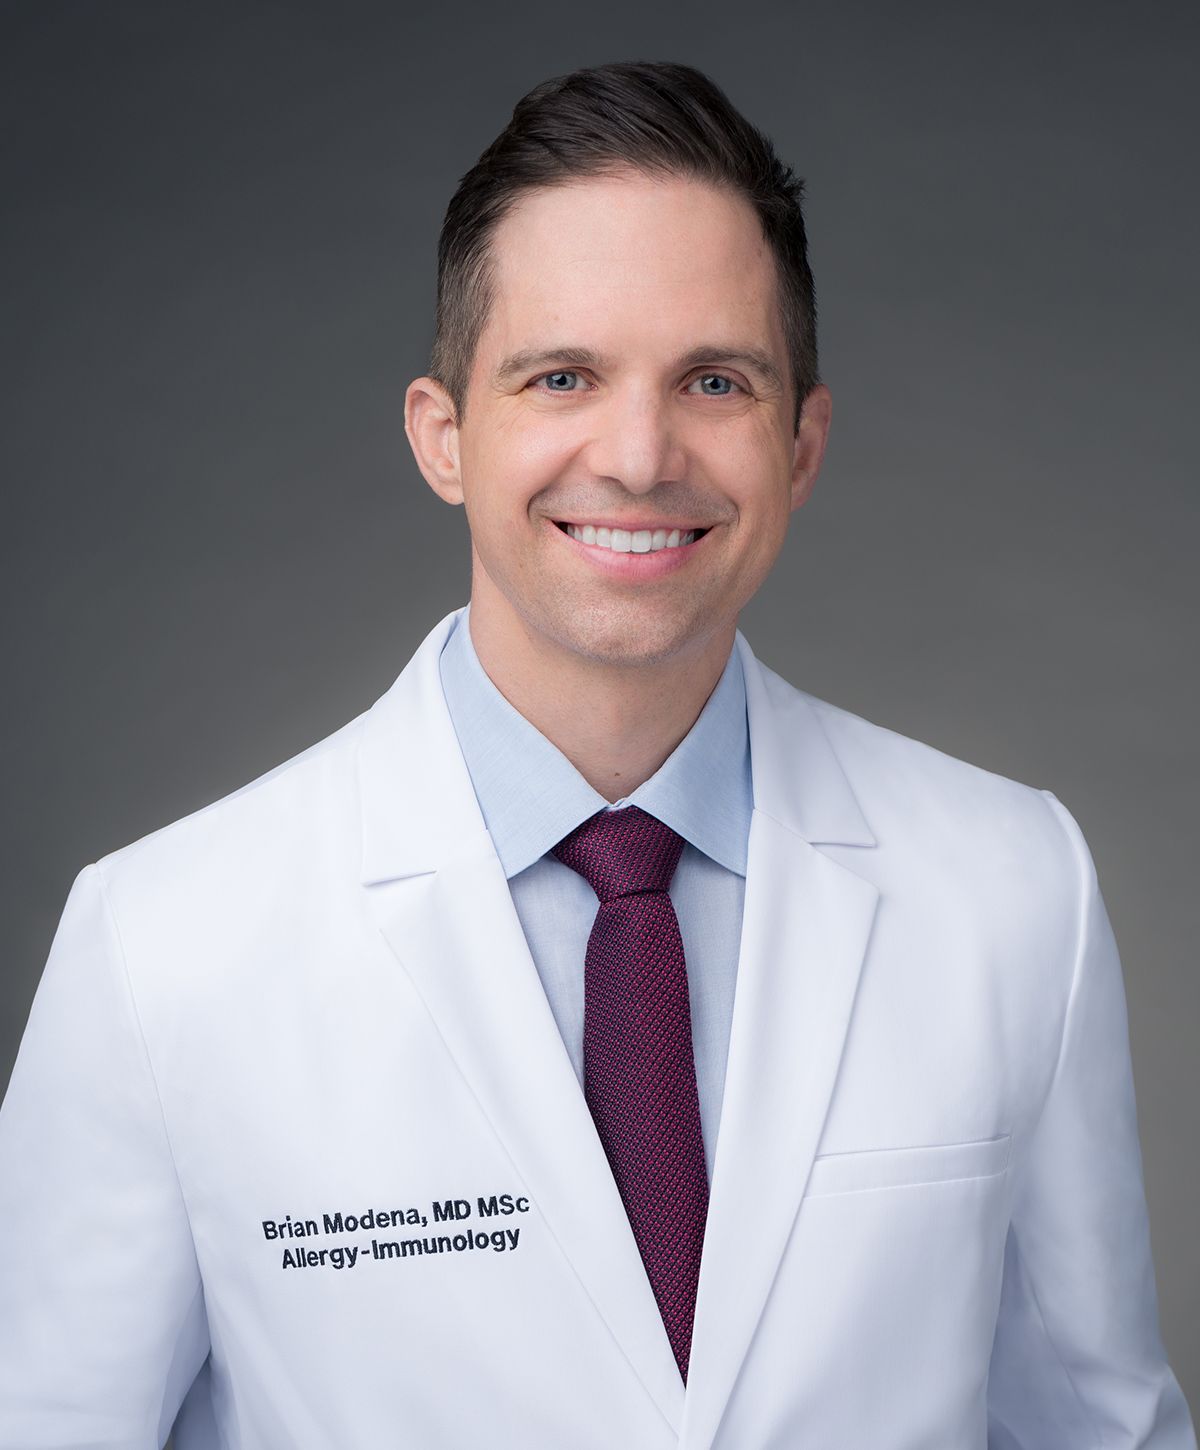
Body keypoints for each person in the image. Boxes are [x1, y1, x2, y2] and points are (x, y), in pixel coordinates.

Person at [0, 58, 1193, 1450]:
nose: (638, 455)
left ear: (802, 444)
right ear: (444, 434)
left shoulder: (1011, 892)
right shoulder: (162, 947)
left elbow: (1106, 1434)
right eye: (561, 375)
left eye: (715, 380)